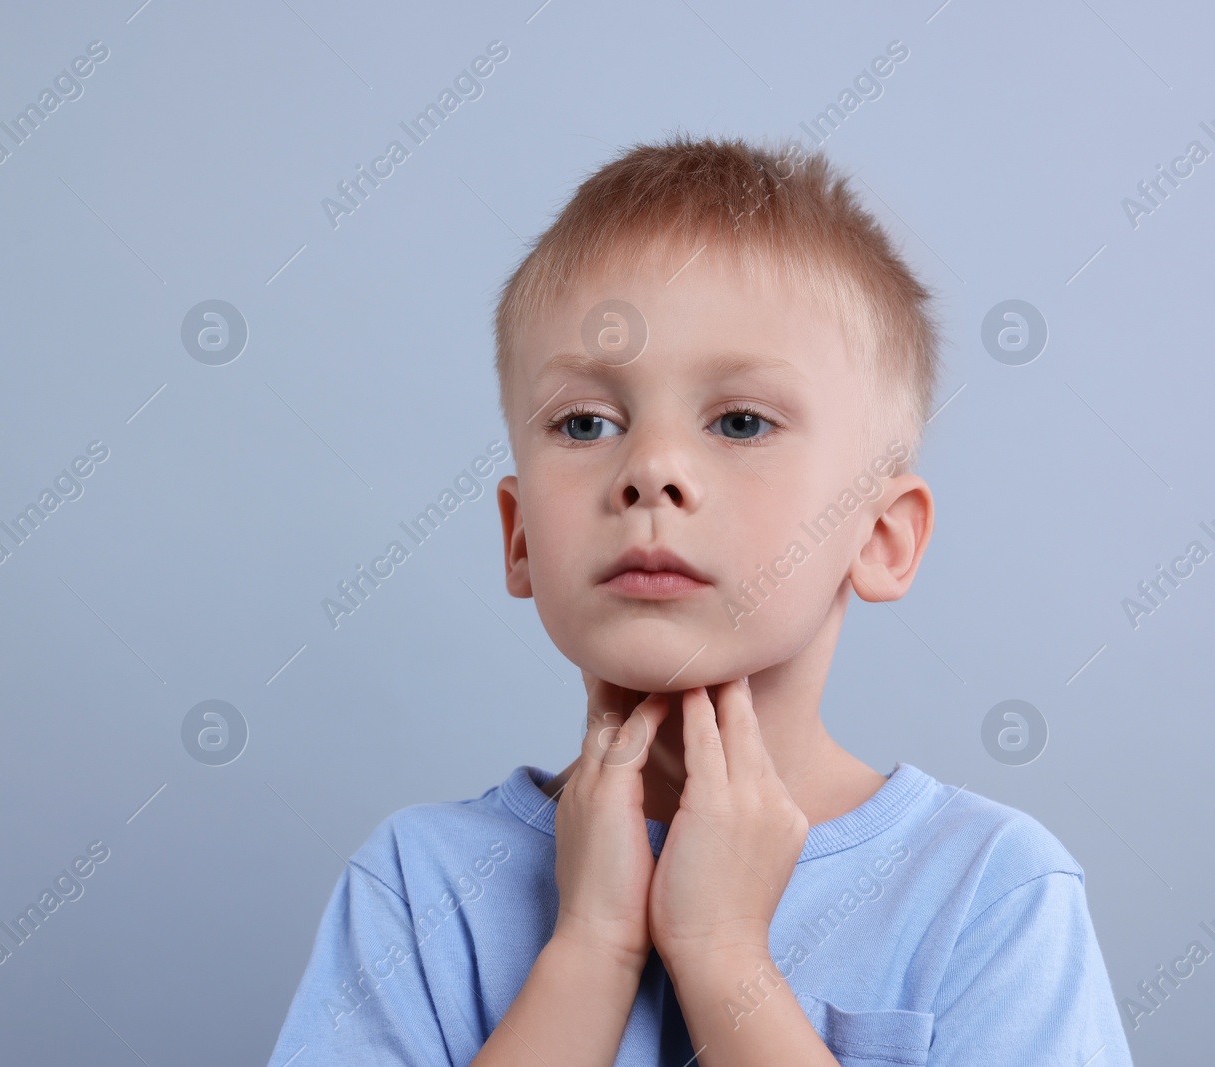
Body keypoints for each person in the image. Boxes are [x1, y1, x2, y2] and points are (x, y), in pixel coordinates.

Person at [263, 133, 1134, 1066]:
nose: (651, 471)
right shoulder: (414, 888)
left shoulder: (990, 893)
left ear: (881, 538)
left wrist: (725, 962)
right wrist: (590, 952)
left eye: (741, 422)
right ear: (518, 537)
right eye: (586, 423)